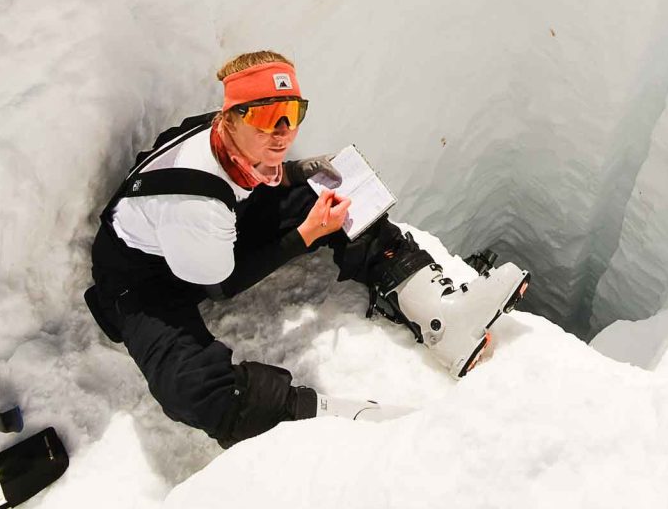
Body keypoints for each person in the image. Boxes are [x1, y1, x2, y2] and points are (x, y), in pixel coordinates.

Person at [85, 50, 527, 447]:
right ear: (234, 116)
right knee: (193, 389)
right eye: (267, 115)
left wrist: (298, 172)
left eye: (292, 112)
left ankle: (438, 312)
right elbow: (222, 284)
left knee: (329, 191)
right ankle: (312, 422)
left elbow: (260, 173)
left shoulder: (224, 134)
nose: (282, 132)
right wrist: (305, 236)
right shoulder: (196, 203)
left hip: (205, 236)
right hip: (142, 280)